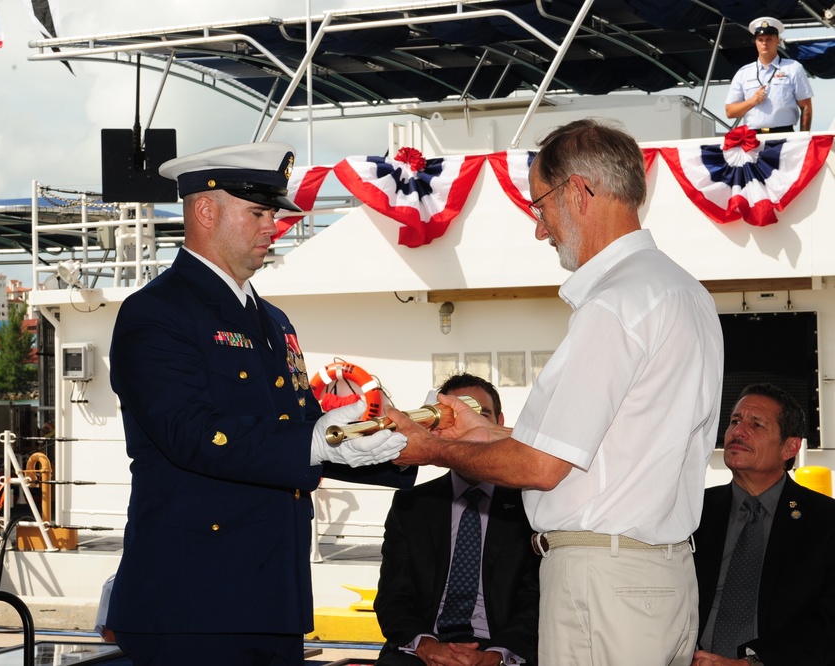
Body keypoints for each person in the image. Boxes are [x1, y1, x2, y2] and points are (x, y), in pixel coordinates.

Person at [388, 118, 725, 666]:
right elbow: (612, 445)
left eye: (539, 206)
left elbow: (544, 468)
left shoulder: (614, 304)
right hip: (660, 576)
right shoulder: (683, 291)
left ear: (578, 191)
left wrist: (428, 449)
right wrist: (485, 433)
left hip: (603, 584)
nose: (540, 230)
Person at [105, 141, 411, 666]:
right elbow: (192, 433)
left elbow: (304, 429)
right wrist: (318, 441)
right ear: (205, 210)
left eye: (273, 213)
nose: (274, 226)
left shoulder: (273, 321)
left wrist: (405, 444)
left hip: (273, 596)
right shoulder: (155, 314)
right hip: (192, 602)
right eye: (259, 212)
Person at [374, 373, 539, 666]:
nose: (469, 428)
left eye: (481, 415)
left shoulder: (531, 506)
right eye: (456, 418)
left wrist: (496, 655)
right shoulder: (410, 505)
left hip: (502, 650)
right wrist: (426, 646)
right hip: (424, 648)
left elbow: (535, 599)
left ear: (500, 423)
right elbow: (393, 598)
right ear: (438, 428)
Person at [691, 383, 835, 666]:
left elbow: (829, 625)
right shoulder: (694, 511)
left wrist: (752, 664)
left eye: (756, 424)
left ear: (790, 447)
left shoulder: (825, 522)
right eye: (734, 421)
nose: (737, 432)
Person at [724, 17, 813, 133]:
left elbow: (806, 107)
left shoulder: (793, 68)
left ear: (778, 41)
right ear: (755, 42)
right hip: (753, 138)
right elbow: (730, 112)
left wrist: (803, 137)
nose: (764, 43)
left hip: (783, 135)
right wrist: (752, 101)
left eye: (769, 39)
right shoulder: (744, 73)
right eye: (760, 39)